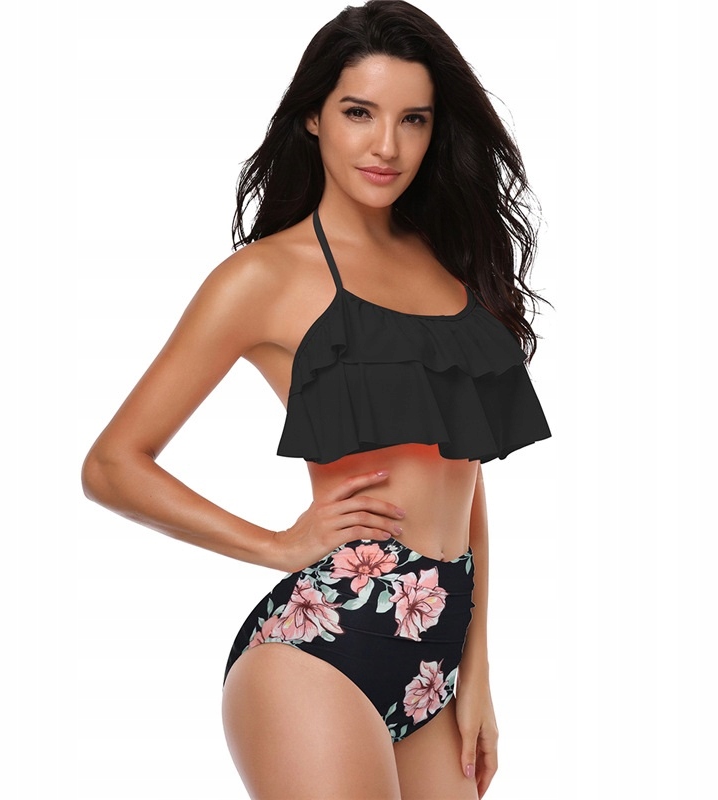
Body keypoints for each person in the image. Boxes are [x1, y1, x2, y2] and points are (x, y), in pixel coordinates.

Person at [81, 1, 551, 797]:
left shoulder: (448, 264)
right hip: (318, 651)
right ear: (312, 117)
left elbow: (463, 476)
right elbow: (112, 465)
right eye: (359, 112)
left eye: (413, 119)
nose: (386, 145)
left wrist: (476, 672)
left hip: (436, 665)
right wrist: (275, 544)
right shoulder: (263, 278)